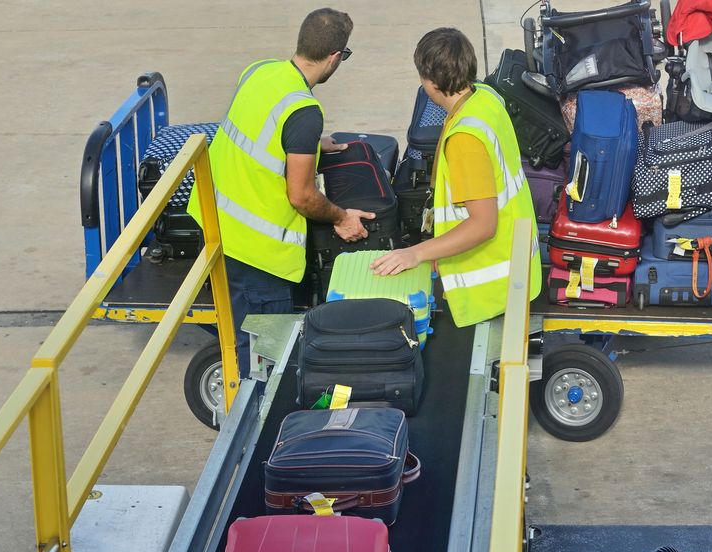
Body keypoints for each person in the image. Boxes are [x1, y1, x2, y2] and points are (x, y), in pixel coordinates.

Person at [191, 8, 372, 371]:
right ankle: (258, 424)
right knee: (265, 361)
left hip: (216, 222)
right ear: (335, 57)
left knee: (246, 338)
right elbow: (302, 196)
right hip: (259, 253)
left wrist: (311, 145)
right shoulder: (304, 111)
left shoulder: (259, 71)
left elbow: (263, 128)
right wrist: (341, 218)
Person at [372, 28, 541, 327]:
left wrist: (416, 253)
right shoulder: (486, 98)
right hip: (516, 268)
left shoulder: (466, 138)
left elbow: (483, 224)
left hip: (490, 288)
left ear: (431, 83)